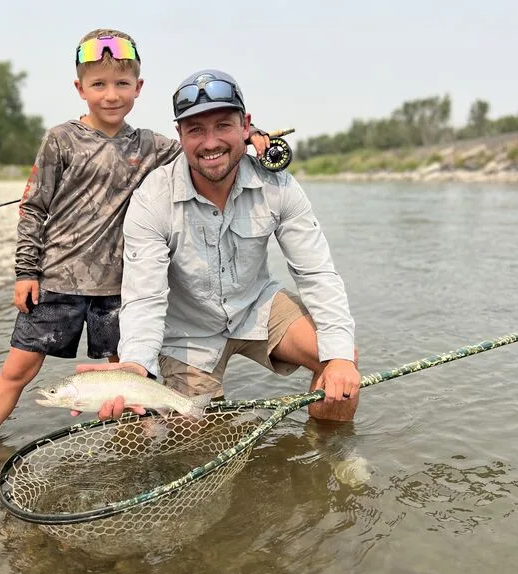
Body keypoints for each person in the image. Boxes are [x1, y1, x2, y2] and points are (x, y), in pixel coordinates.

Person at [0, 34, 269, 482]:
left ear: (139, 88)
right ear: (80, 88)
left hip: (117, 293)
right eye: (98, 84)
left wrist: (254, 135)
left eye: (122, 83)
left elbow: (211, 145)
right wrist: (27, 271)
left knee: (123, 385)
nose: (111, 94)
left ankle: (129, 461)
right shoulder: (60, 140)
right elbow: (33, 207)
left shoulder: (155, 145)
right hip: (57, 282)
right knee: (17, 371)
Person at [76, 69, 360, 423]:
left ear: (246, 126)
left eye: (223, 126)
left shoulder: (279, 187)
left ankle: (326, 453)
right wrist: (136, 365)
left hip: (258, 306)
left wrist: (340, 359)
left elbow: (317, 273)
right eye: (196, 130)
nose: (210, 143)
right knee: (193, 434)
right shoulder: (152, 198)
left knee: (339, 355)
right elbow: (144, 297)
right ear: (179, 135)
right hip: (187, 331)